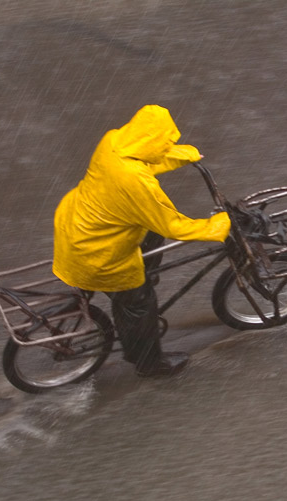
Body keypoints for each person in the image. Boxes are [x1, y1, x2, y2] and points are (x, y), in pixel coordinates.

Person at [52, 105, 231, 376]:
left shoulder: (112, 140)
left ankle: (142, 280)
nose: (166, 146)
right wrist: (219, 225)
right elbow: (172, 224)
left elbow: (144, 157)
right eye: (165, 142)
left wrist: (186, 154)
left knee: (149, 231)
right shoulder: (136, 182)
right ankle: (149, 363)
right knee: (139, 303)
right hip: (98, 252)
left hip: (77, 224)